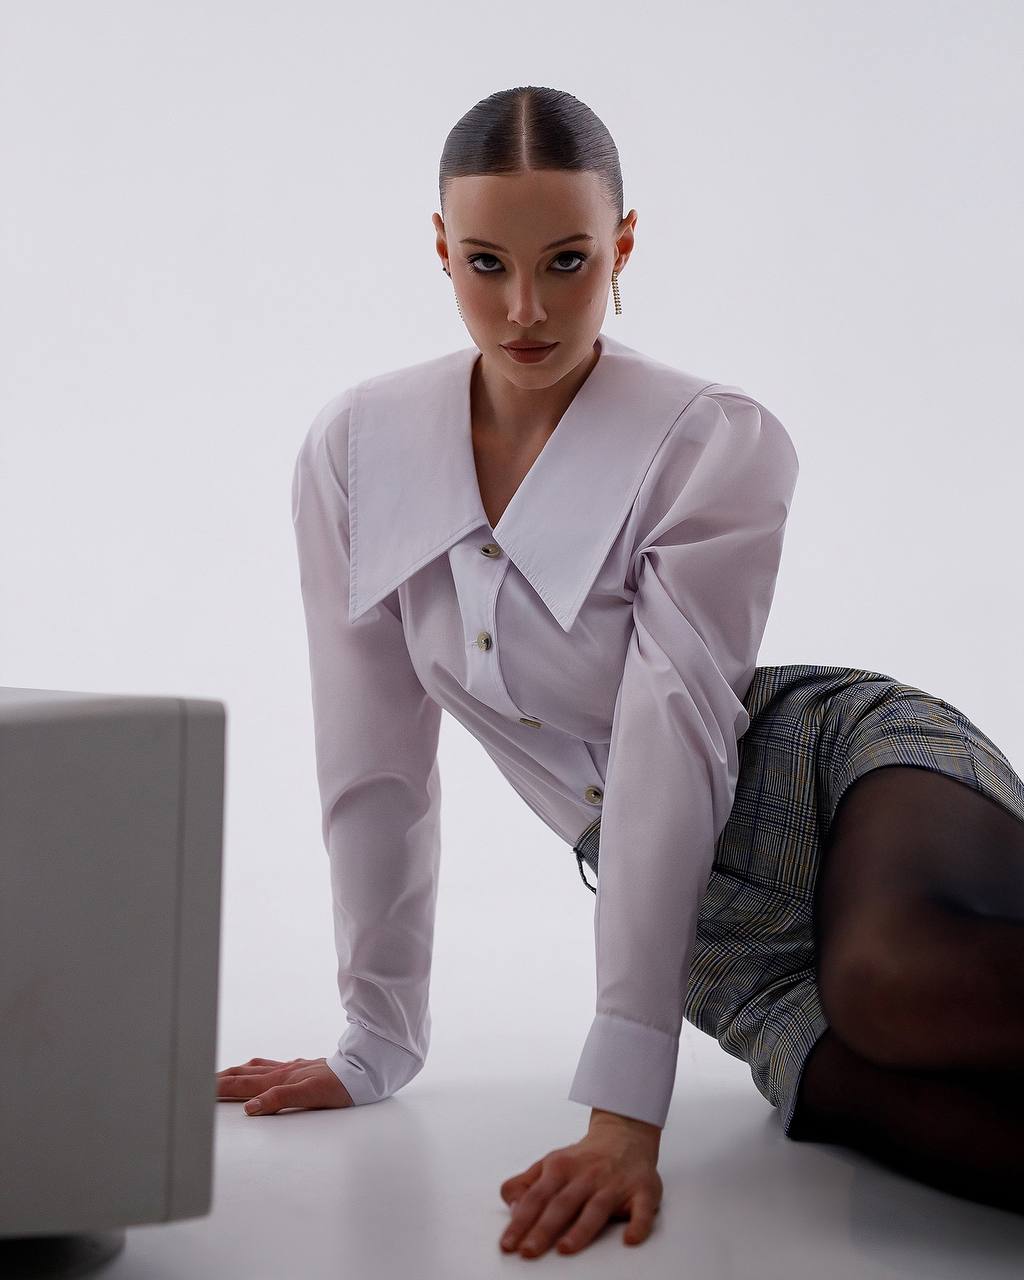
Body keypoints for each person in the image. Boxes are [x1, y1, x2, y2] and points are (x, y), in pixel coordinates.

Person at [217, 85, 1024, 1253]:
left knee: (893, 982)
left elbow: (672, 733)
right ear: (439, 248)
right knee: (954, 1128)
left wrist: (623, 1113)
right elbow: (373, 766)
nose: (526, 307)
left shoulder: (711, 435)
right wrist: (371, 1041)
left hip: (826, 775)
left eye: (568, 260)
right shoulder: (355, 453)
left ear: (624, 245)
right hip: (714, 940)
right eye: (486, 262)